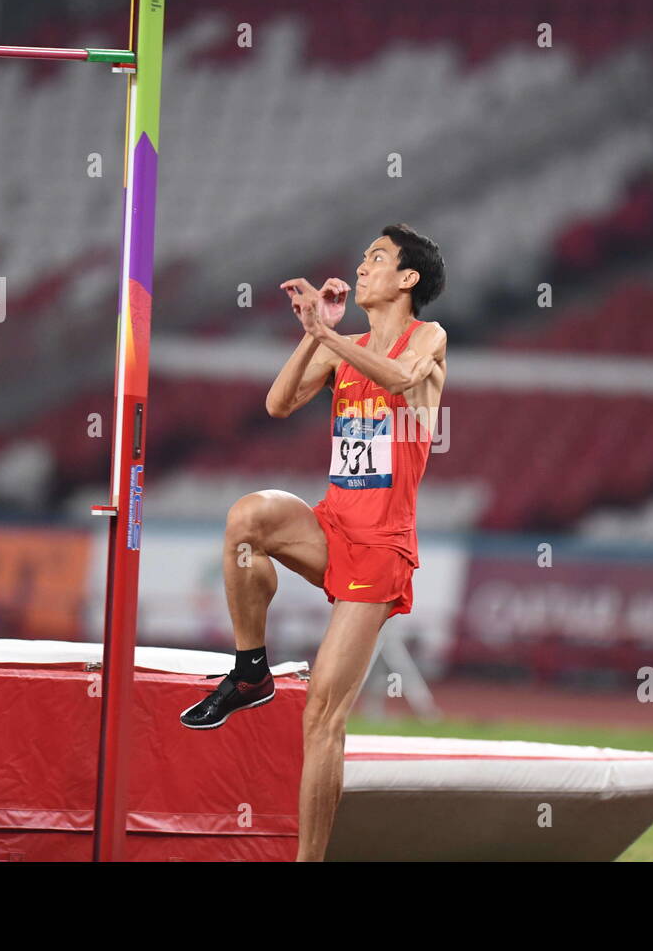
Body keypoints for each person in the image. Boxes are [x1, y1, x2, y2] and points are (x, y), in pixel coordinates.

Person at [179, 223, 447, 862]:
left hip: (381, 547)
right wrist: (313, 335)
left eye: (376, 258)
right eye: (363, 256)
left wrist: (326, 335)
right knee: (248, 519)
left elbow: (403, 380)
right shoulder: (339, 346)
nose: (361, 267)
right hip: (332, 527)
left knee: (322, 717)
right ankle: (250, 671)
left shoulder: (428, 338)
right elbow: (276, 404)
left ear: (407, 280)